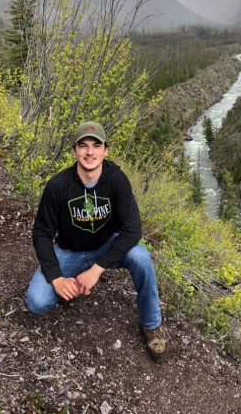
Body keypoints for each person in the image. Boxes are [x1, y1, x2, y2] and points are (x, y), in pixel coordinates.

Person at [26, 121, 167, 363]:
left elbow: (133, 231)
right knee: (37, 302)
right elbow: (41, 233)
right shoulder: (58, 186)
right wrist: (57, 278)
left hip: (105, 246)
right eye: (83, 146)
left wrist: (96, 270)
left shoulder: (116, 180)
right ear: (74, 152)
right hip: (69, 251)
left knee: (141, 258)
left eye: (96, 146)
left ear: (105, 151)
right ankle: (68, 287)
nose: (89, 152)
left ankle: (151, 324)